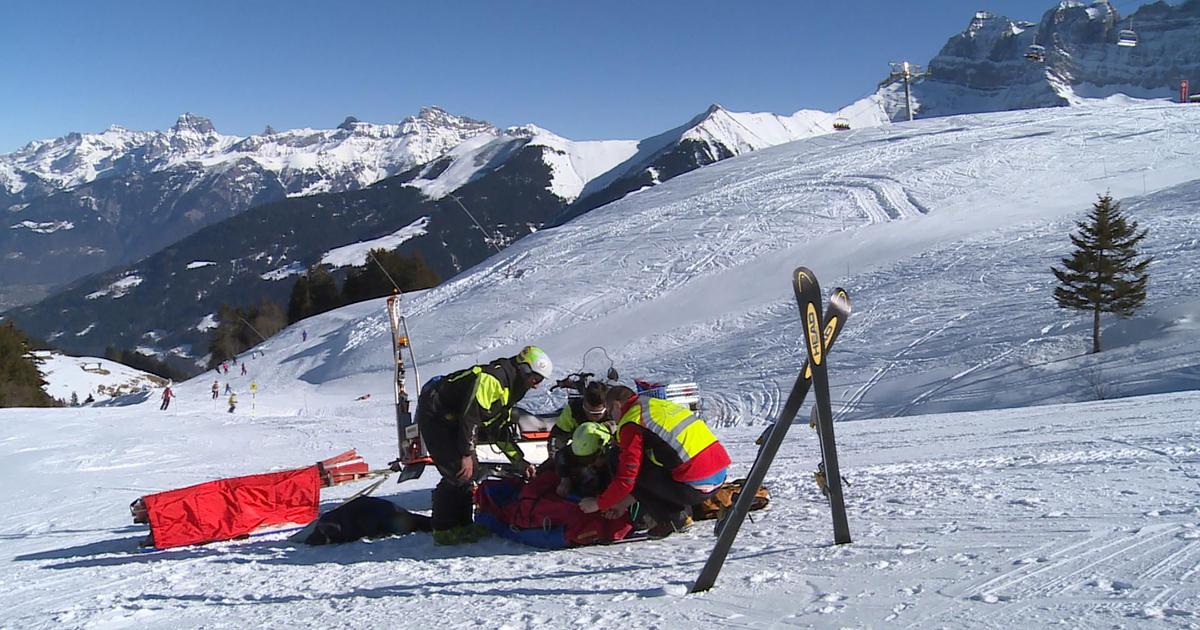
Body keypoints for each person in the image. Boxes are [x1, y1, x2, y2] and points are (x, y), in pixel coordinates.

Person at [415, 345, 553, 545]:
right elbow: (470, 417)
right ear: (524, 369)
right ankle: (444, 530)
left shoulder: (514, 387)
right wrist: (465, 453)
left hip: (454, 418)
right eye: (536, 378)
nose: (536, 385)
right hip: (435, 413)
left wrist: (521, 463)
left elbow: (498, 429)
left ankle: (462, 525)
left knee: (470, 471)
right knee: (457, 470)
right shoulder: (494, 379)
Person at [579, 385, 730, 539]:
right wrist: (622, 503)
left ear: (617, 405)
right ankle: (679, 514)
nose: (612, 418)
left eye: (610, 412)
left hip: (695, 486)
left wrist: (598, 504)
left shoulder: (632, 422)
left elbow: (627, 478)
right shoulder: (655, 405)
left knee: (616, 458)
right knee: (648, 460)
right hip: (719, 475)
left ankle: (672, 519)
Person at [553, 421, 616, 499]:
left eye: (591, 460)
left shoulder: (617, 460)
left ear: (605, 451)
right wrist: (565, 480)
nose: (589, 464)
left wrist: (598, 503)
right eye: (582, 460)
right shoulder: (567, 453)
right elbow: (561, 455)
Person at [548, 381, 610, 457]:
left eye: (597, 414)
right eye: (588, 411)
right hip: (580, 454)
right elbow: (558, 435)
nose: (592, 417)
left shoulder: (614, 413)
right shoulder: (573, 410)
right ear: (583, 402)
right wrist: (556, 456)